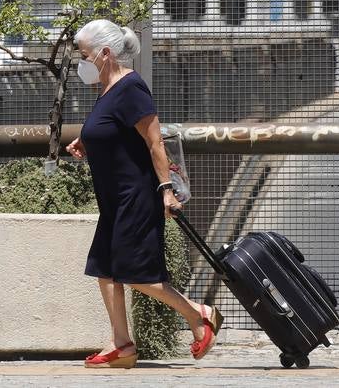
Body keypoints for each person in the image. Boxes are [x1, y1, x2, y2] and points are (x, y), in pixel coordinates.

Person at [66, 19, 222, 370]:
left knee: (136, 274)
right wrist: (86, 141)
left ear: (105, 54)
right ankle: (121, 344)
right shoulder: (107, 89)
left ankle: (199, 314)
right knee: (104, 270)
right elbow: (113, 132)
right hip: (113, 198)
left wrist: (166, 189)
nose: (82, 61)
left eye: (85, 54)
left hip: (135, 196)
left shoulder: (132, 87)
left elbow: (154, 141)